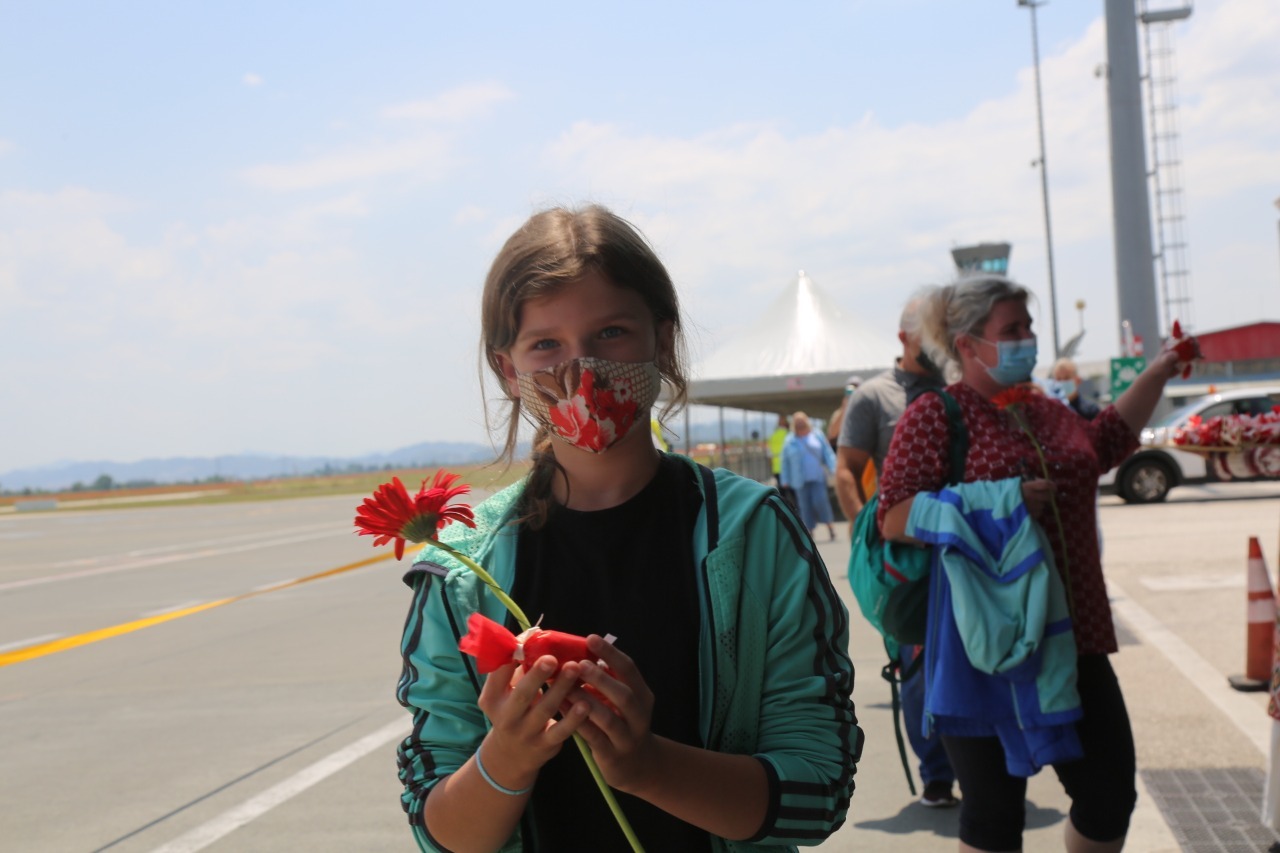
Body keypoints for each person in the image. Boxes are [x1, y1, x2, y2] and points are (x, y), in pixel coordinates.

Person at [395, 205, 860, 853]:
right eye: (546, 344)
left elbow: (819, 790)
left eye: (610, 332)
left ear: (661, 342)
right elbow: (439, 830)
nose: (581, 368)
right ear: (508, 370)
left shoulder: (754, 533)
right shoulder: (461, 574)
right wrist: (507, 756)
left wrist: (648, 766)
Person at [877, 274, 1194, 853]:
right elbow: (894, 516)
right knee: (995, 818)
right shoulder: (936, 415)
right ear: (968, 344)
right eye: (1012, 329)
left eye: (1029, 326)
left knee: (1108, 798)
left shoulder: (1046, 410)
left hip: (1077, 636)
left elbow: (1105, 442)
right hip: (988, 646)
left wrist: (1160, 370)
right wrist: (997, 503)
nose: (1028, 339)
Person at [835, 292, 958, 809]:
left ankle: (977, 763)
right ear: (905, 336)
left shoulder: (961, 387)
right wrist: (865, 536)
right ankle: (936, 772)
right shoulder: (874, 397)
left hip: (963, 547)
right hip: (906, 557)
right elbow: (846, 470)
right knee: (917, 664)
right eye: (931, 331)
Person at [780, 411, 838, 542]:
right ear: (793, 424)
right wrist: (785, 479)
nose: (800, 423)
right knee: (804, 506)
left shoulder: (817, 435)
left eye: (802, 421)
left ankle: (830, 526)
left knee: (820, 501)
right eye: (797, 421)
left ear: (807, 421)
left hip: (817, 477)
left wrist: (834, 468)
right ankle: (809, 532)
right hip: (799, 480)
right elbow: (785, 461)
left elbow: (828, 453)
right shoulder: (789, 440)